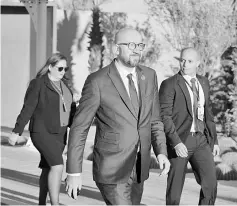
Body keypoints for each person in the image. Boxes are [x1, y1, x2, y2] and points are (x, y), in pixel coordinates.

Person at [65, 28, 170, 205]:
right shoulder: (97, 81)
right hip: (111, 168)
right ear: (116, 49)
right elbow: (79, 127)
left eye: (139, 45)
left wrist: (161, 151)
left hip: (139, 166)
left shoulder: (149, 76)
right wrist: (74, 172)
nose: (136, 49)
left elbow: (154, 119)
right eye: (130, 45)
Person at [8, 53, 76, 205]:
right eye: (60, 68)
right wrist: (16, 131)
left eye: (66, 69)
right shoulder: (38, 83)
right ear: (50, 67)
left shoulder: (65, 87)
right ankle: (55, 203)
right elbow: (28, 108)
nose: (63, 72)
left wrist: (80, 124)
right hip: (42, 132)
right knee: (57, 166)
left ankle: (41, 203)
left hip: (60, 134)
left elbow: (71, 111)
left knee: (48, 168)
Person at [158, 47, 220, 205]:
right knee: (175, 188)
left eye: (189, 61)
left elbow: (208, 112)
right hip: (180, 140)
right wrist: (176, 142)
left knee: (210, 183)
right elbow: (164, 116)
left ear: (198, 63)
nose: (184, 64)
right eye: (182, 60)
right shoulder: (169, 84)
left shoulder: (204, 82)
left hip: (201, 140)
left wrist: (215, 140)